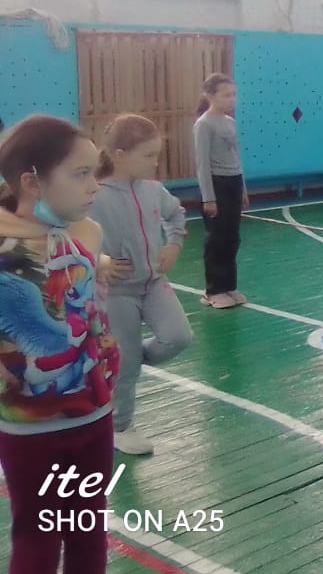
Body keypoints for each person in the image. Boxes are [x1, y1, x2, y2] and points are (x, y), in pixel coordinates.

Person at [0, 115, 119, 574]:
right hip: (30, 426)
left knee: (89, 531)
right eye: (81, 173)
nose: (94, 185)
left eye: (95, 172)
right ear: (32, 182)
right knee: (37, 539)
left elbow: (88, 307)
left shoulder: (87, 231)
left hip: (93, 411)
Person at [90, 114, 193, 456]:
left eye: (156, 155)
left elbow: (176, 214)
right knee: (126, 360)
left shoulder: (153, 190)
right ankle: (120, 426)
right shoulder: (94, 195)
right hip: (116, 291)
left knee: (178, 337)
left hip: (153, 283)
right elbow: (70, 236)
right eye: (148, 155)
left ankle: (124, 361)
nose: (155, 162)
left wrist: (173, 244)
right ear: (120, 155)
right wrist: (99, 261)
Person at [194, 72, 249, 308]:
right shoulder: (204, 124)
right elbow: (202, 164)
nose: (232, 99)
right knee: (216, 239)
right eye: (226, 95)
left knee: (232, 237)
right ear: (210, 96)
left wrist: (242, 188)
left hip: (233, 182)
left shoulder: (230, 122)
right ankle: (213, 290)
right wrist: (209, 198)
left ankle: (229, 285)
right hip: (216, 185)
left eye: (234, 95)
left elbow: (236, 156)